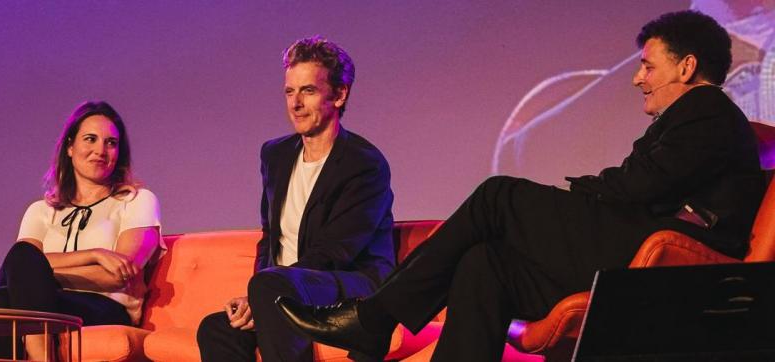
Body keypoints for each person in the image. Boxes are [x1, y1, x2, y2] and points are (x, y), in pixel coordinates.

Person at [275, 10, 766, 361]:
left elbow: (641, 186)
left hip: (677, 263)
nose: (638, 78)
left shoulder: (707, 111)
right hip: (642, 240)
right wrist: (603, 189)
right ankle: (378, 320)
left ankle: (376, 318)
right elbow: (646, 185)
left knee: (498, 196)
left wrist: (590, 189)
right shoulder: (688, 119)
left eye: (649, 66)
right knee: (484, 263)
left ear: (686, 67)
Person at [196, 36, 395, 362]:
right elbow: (270, 238)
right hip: (281, 290)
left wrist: (268, 289)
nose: (295, 103)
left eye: (309, 91)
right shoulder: (275, 155)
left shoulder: (365, 163)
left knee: (269, 288)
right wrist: (256, 297)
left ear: (340, 94)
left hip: (350, 289)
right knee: (216, 328)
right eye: (290, 91)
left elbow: (337, 252)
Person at [0, 101, 164, 360]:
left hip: (104, 308)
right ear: (69, 146)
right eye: (90, 139)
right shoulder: (40, 210)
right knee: (9, 283)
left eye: (111, 143)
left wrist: (37, 275)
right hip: (49, 305)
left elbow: (119, 276)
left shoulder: (137, 201)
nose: (100, 150)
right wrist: (94, 255)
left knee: (7, 295)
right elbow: (20, 264)